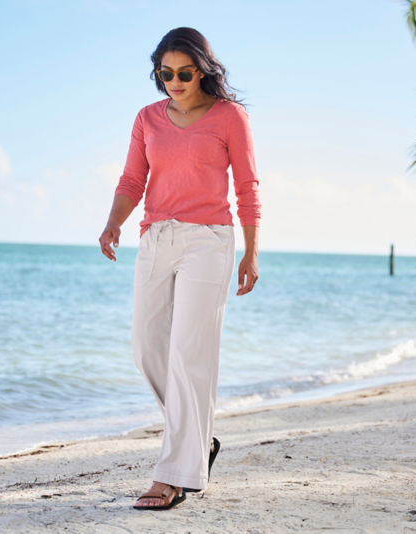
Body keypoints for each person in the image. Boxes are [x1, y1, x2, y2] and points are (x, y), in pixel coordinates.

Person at [98, 27, 261, 511]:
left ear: (203, 70)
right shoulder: (147, 118)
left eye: (184, 73)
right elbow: (132, 178)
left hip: (209, 242)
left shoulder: (230, 117)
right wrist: (112, 224)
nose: (174, 81)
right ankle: (198, 442)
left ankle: (172, 476)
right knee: (147, 347)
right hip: (156, 238)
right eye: (164, 73)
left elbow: (248, 188)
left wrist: (251, 253)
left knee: (188, 352)